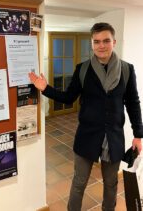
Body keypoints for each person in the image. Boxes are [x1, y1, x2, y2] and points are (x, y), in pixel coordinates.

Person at [29, 22, 143, 210]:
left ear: (114, 42)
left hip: (113, 137)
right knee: (79, 182)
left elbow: (133, 103)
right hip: (87, 135)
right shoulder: (83, 69)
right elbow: (68, 97)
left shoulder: (126, 70)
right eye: (96, 41)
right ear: (92, 44)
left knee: (111, 183)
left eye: (106, 40)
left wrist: (138, 134)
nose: (101, 45)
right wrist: (45, 89)